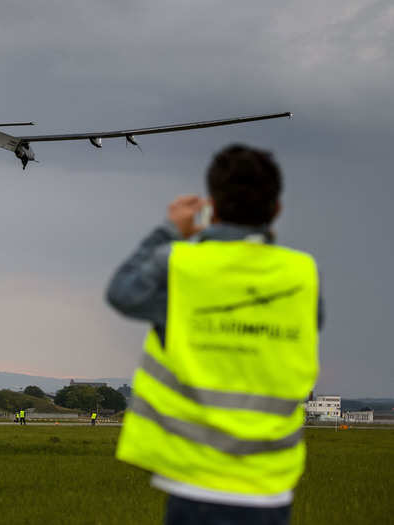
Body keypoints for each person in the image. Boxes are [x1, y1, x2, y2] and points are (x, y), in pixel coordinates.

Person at [107, 144, 323, 525]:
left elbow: (122, 293)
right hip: (271, 490)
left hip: (196, 485)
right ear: (276, 211)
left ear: (212, 208)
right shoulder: (303, 275)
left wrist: (170, 230)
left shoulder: (181, 265)